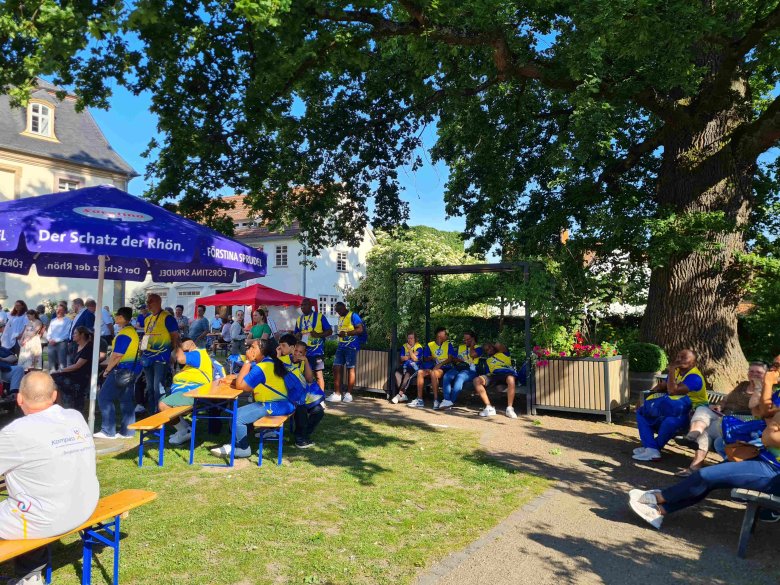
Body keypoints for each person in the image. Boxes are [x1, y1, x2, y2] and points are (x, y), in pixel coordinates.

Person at [627, 362, 780, 530]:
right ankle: (659, 511)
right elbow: (759, 413)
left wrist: (770, 430)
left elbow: (770, 436)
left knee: (706, 475)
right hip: (763, 456)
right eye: (773, 365)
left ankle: (658, 498)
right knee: (708, 478)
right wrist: (765, 387)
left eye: (777, 366)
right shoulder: (777, 394)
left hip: (774, 470)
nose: (773, 370)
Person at [0, 371, 99, 585]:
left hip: (50, 516)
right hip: (84, 505)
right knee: (32, 498)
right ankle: (31, 572)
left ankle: (30, 577)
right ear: (54, 396)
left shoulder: (16, 432)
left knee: (28, 506)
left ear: (19, 398)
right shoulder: (75, 416)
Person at [677, 361, 767, 476]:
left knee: (705, 432)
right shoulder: (743, 385)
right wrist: (720, 405)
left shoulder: (765, 392)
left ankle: (694, 464)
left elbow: (755, 409)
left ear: (766, 375)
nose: (754, 374)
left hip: (737, 424)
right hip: (723, 417)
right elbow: (726, 399)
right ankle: (693, 435)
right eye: (751, 371)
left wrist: (758, 387)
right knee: (702, 410)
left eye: (758, 372)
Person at [211, 338, 294, 458]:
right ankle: (237, 443)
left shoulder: (263, 367)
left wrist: (247, 362)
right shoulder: (270, 362)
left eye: (253, 347)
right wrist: (232, 381)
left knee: (237, 416)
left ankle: (243, 448)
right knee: (239, 414)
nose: (249, 350)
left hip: (276, 405)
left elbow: (242, 386)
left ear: (263, 350)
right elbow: (246, 381)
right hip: (281, 404)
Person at [633, 349, 707, 462]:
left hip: (690, 416)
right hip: (672, 409)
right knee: (641, 412)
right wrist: (642, 398)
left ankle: (651, 448)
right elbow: (661, 386)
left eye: (683, 357)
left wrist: (671, 369)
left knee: (670, 422)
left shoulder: (695, 377)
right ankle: (652, 449)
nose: (679, 359)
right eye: (678, 356)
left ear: (693, 362)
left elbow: (673, 391)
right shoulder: (678, 372)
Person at [159, 338, 226, 445]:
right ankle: (186, 430)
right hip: (189, 392)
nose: (180, 347)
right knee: (162, 399)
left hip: (192, 393)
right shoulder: (198, 355)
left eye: (182, 344)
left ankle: (183, 431)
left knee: (164, 405)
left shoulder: (196, 353)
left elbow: (180, 359)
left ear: (191, 343)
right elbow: (174, 359)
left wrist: (176, 345)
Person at [95, 308, 141, 439]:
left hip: (122, 370)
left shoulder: (124, 333)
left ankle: (108, 431)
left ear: (121, 317)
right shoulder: (132, 331)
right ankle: (127, 432)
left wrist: (107, 370)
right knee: (126, 400)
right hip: (132, 370)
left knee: (104, 397)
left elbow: (117, 355)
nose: (115, 318)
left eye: (117, 316)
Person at [141, 294, 180, 415]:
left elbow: (175, 336)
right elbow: (146, 335)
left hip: (161, 357)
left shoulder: (167, 318)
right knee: (150, 388)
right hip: (147, 357)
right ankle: (152, 413)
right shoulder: (147, 318)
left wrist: (174, 351)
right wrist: (141, 350)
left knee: (158, 387)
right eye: (147, 302)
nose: (148, 304)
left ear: (158, 302)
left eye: (150, 302)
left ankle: (161, 412)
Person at [51, 327, 104, 413]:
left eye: (75, 333)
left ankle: (61, 407)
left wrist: (61, 370)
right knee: (52, 378)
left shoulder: (89, 348)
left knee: (55, 377)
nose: (73, 335)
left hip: (81, 377)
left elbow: (77, 366)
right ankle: (60, 406)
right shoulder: (76, 346)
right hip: (74, 374)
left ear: (82, 335)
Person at [408, 327, 455, 410]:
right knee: (420, 372)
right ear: (439, 335)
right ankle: (419, 400)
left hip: (444, 368)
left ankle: (436, 400)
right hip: (433, 368)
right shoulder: (430, 345)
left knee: (433, 373)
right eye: (445, 334)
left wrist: (440, 364)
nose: (447, 336)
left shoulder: (448, 344)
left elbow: (450, 359)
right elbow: (425, 358)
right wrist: (431, 358)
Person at [326, 302, 364, 404]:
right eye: (337, 311)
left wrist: (346, 333)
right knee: (336, 367)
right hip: (341, 345)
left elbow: (360, 329)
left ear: (344, 308)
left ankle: (348, 394)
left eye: (339, 311)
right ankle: (337, 394)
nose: (338, 313)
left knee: (350, 368)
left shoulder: (353, 315)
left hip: (351, 346)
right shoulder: (341, 317)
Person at [472, 342, 519, 418]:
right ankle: (489, 408)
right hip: (494, 376)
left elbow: (498, 344)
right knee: (476, 380)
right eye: (487, 350)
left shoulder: (504, 353)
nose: (489, 350)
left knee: (511, 379)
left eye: (490, 347)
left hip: (506, 374)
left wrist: (492, 346)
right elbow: (488, 374)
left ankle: (509, 409)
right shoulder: (488, 361)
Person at [294, 299, 332, 391]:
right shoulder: (299, 319)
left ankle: (321, 398)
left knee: (318, 374)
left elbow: (330, 331)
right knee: (305, 375)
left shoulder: (320, 317)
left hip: (317, 351)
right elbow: (296, 334)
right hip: (303, 352)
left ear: (311, 306)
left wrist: (318, 335)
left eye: (305, 305)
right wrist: (297, 335)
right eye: (301, 305)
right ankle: (308, 397)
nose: (302, 307)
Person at [440, 330, 483, 409]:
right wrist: (458, 360)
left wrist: (472, 345)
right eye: (465, 339)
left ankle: (451, 401)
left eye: (468, 339)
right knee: (447, 376)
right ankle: (447, 400)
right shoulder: (461, 347)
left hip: (470, 370)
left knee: (460, 377)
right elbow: (453, 358)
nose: (466, 341)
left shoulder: (479, 348)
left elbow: (472, 354)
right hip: (459, 367)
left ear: (473, 339)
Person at [391, 332, 422, 404]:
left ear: (415, 339)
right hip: (405, 366)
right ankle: (403, 395)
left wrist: (410, 351)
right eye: (408, 338)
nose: (410, 340)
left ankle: (399, 395)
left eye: (411, 338)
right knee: (396, 373)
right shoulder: (404, 346)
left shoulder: (419, 347)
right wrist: (411, 355)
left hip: (414, 367)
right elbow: (401, 359)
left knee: (407, 375)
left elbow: (415, 359)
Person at [67, 298, 94, 366]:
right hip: (73, 342)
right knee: (70, 363)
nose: (72, 308)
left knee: (75, 364)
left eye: (73, 305)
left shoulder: (88, 314)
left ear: (77, 305)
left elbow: (89, 330)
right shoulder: (78, 314)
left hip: (80, 343)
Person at [46, 304, 72, 372]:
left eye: (61, 310)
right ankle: (52, 377)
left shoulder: (68, 321)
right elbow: (49, 332)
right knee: (51, 364)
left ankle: (62, 379)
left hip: (62, 343)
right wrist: (49, 339)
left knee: (62, 363)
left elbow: (66, 333)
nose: (58, 311)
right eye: (57, 310)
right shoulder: (53, 320)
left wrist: (56, 340)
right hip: (51, 343)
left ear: (64, 311)